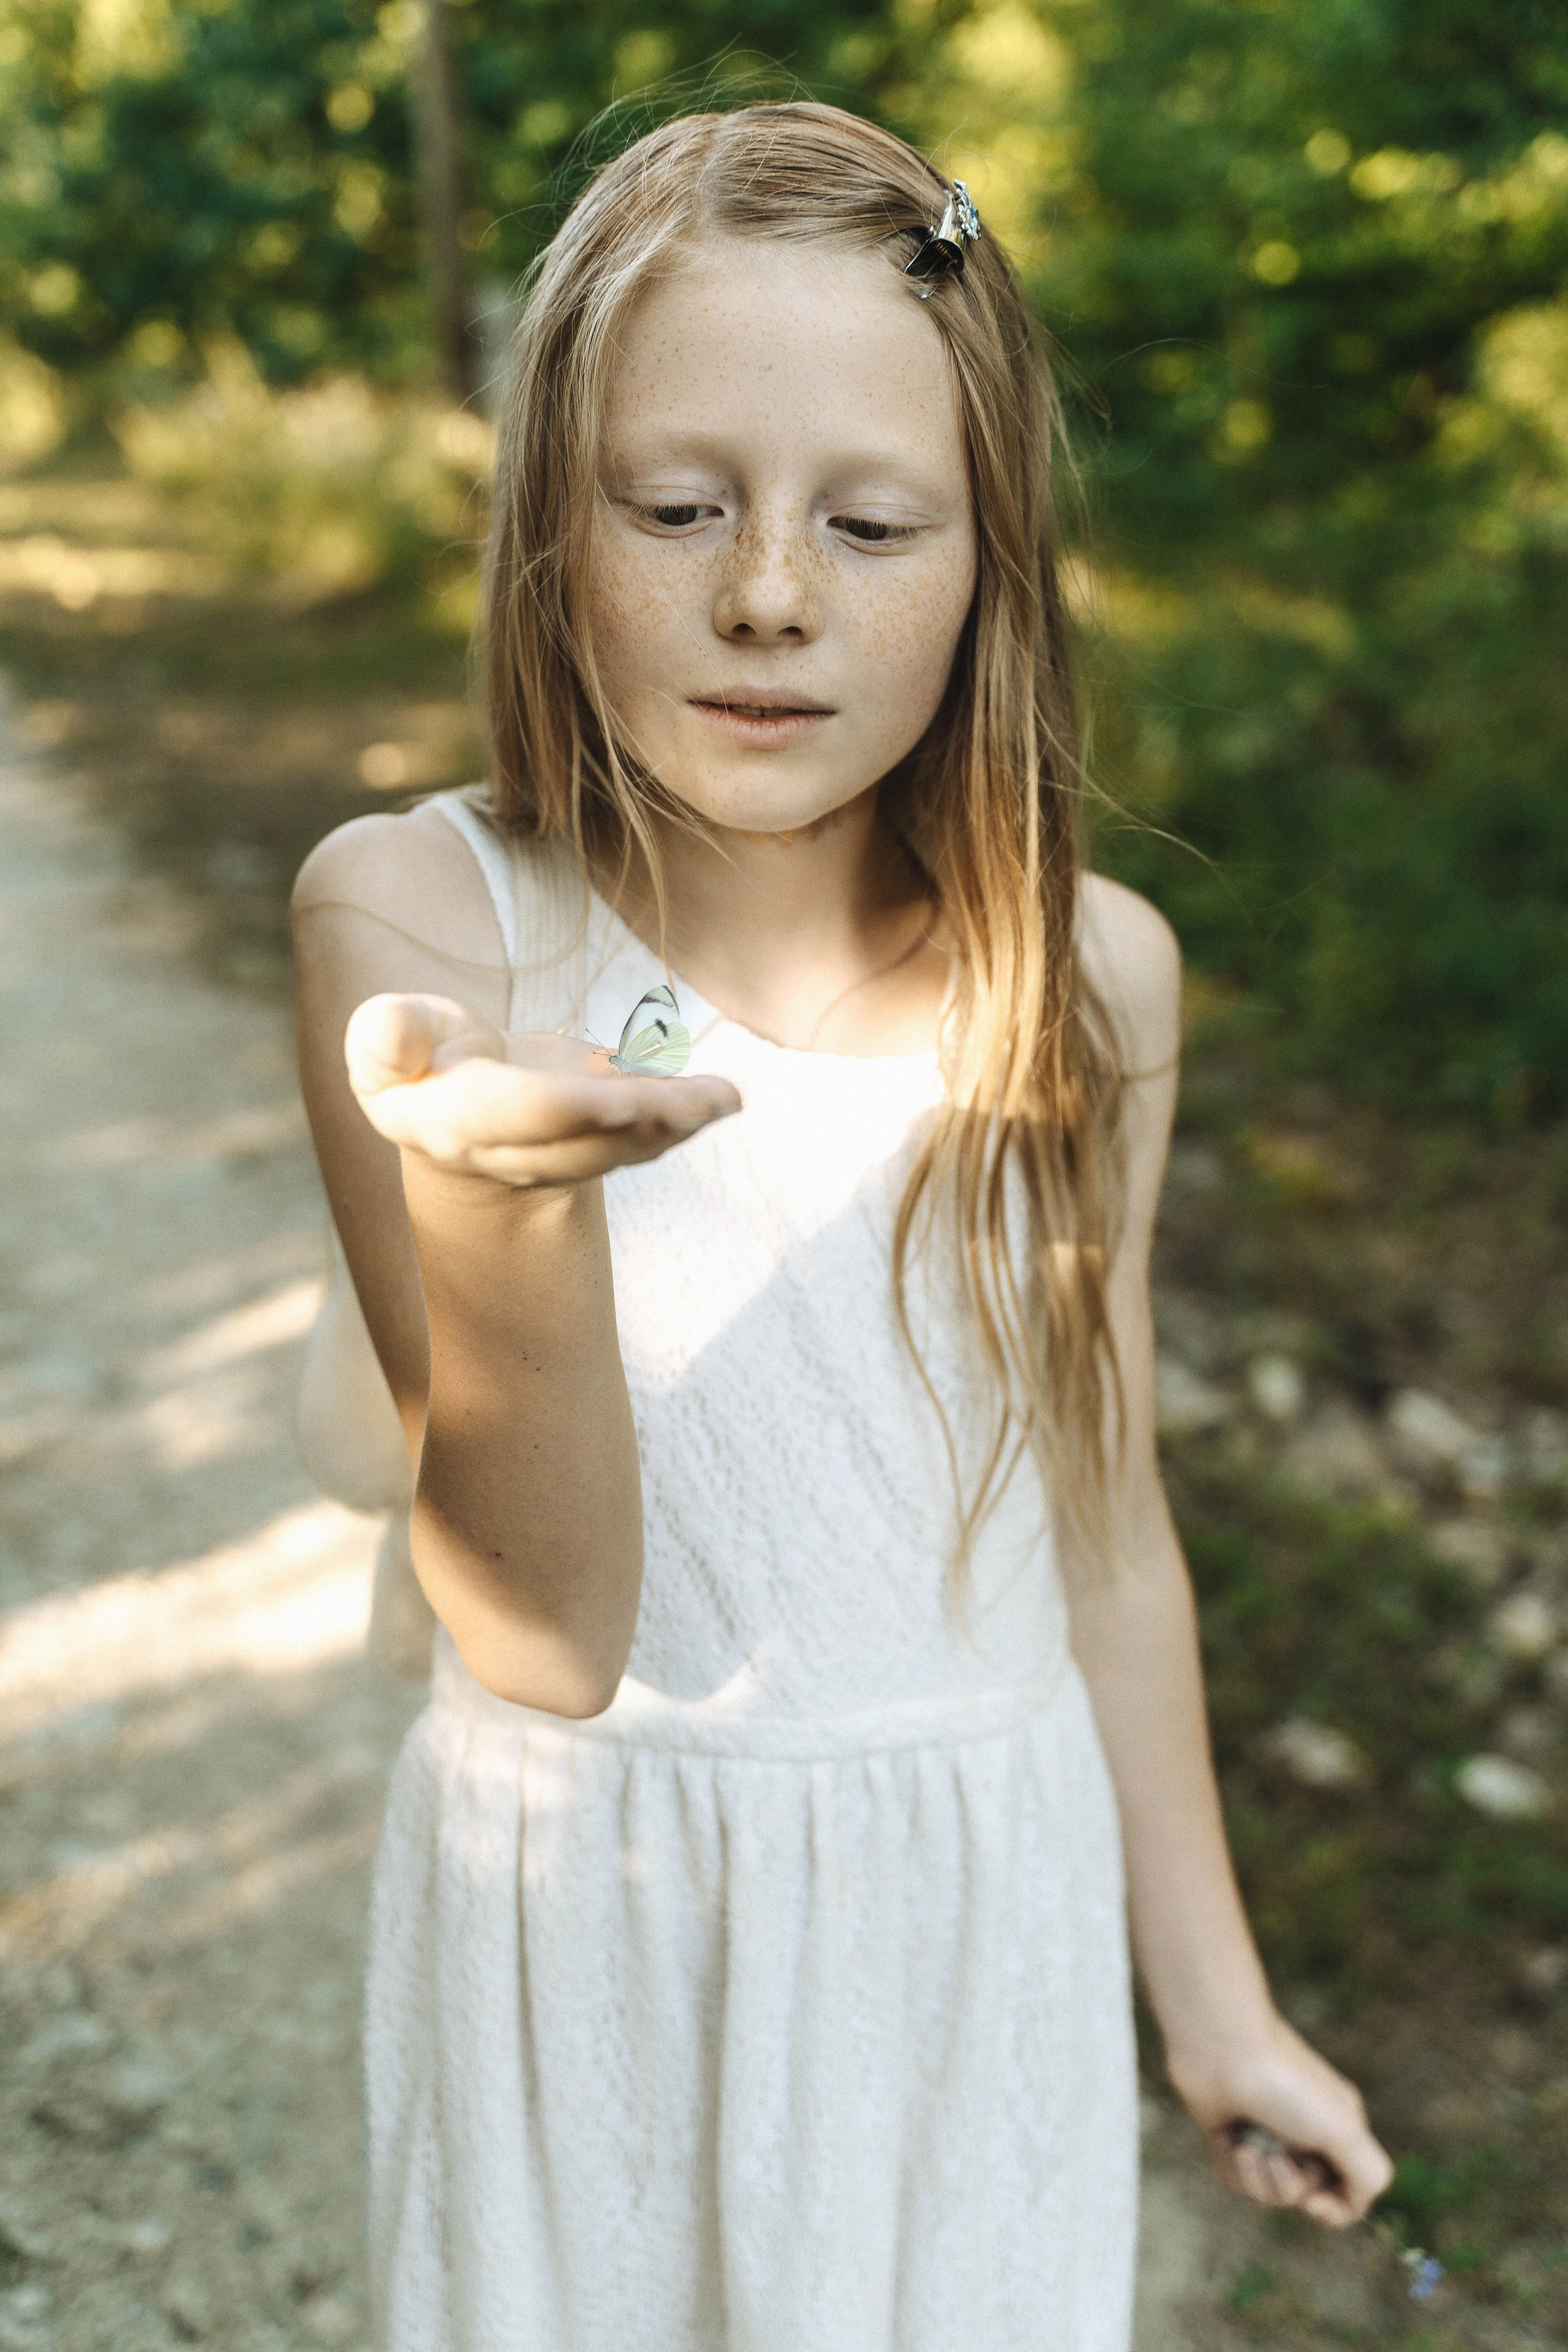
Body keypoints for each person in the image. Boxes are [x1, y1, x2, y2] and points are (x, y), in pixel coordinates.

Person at [290, 100, 1392, 2352]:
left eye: (872, 522)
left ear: (990, 559)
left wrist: (1219, 2012)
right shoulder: (424, 921)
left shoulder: (1095, 986)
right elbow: (543, 1634)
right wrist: (499, 1220)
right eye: (677, 507)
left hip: (975, 1922)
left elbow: (1104, 1534)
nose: (770, 588)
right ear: (549, 528)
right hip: (597, 1919)